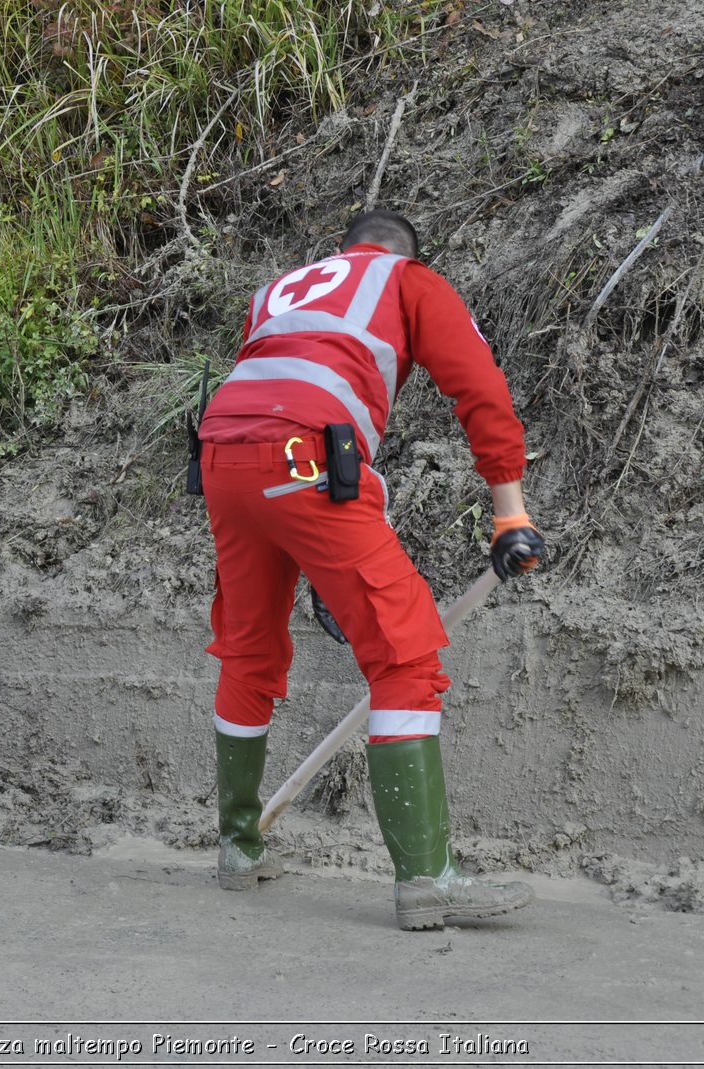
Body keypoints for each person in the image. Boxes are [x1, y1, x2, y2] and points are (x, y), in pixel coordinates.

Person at [197, 209, 545, 929]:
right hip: (307, 457)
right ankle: (429, 879)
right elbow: (477, 385)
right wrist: (510, 511)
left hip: (222, 454)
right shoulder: (408, 280)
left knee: (249, 647)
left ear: (344, 251)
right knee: (405, 655)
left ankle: (238, 847)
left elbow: (268, 395)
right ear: (404, 255)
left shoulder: (283, 290)